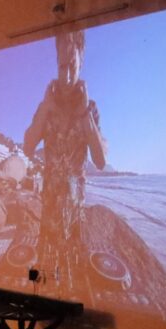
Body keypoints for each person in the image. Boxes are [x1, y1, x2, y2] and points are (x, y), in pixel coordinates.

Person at [22, 30, 106, 293]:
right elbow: (27, 147)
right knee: (44, 282)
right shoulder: (46, 105)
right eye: (62, 66)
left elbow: (101, 160)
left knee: (73, 283)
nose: (67, 75)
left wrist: (84, 115)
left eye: (73, 66)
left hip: (75, 211)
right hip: (49, 209)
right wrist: (47, 107)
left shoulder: (90, 108)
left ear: (81, 64)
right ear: (56, 64)